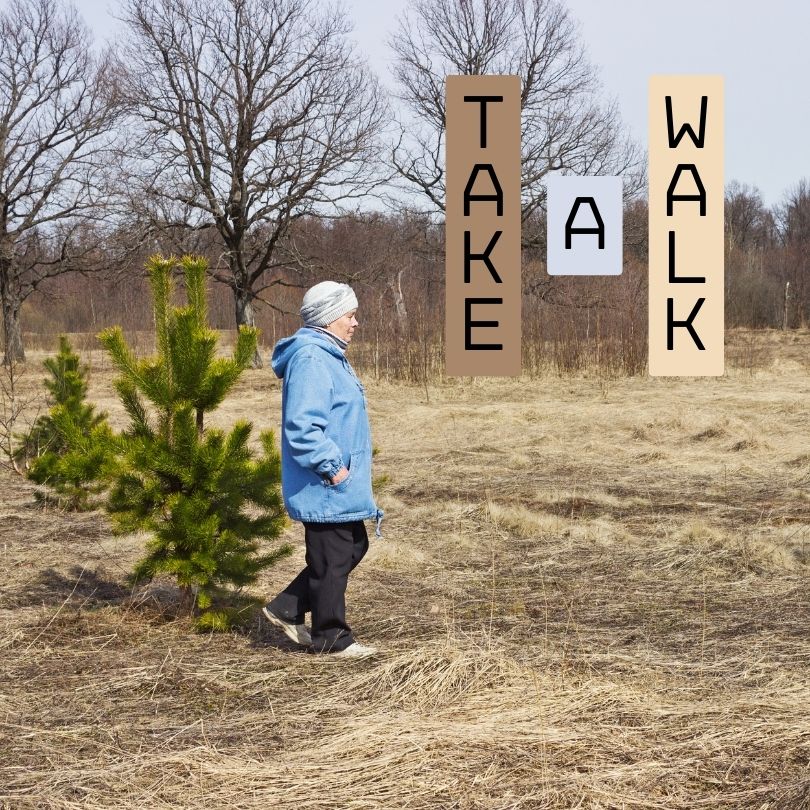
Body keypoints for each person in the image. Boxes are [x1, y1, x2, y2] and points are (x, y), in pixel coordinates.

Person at [263, 281, 383, 658]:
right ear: (330, 318)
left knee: (353, 545)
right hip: (324, 481)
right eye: (350, 314)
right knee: (331, 558)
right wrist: (333, 469)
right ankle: (332, 637)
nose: (356, 322)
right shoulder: (313, 359)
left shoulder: (328, 354)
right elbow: (302, 425)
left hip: (334, 482)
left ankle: (288, 606)